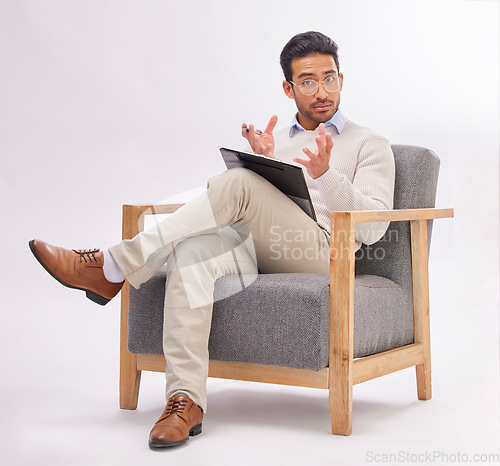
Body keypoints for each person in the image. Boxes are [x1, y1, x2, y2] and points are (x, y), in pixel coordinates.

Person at [29, 31, 395, 448]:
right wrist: (265, 160)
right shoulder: (283, 138)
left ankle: (111, 266)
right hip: (264, 247)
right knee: (192, 251)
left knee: (236, 183)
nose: (322, 91)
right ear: (288, 88)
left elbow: (373, 229)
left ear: (342, 80)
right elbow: (265, 204)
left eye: (329, 78)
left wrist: (327, 174)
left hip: (325, 253)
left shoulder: (370, 143)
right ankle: (185, 400)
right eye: (308, 81)